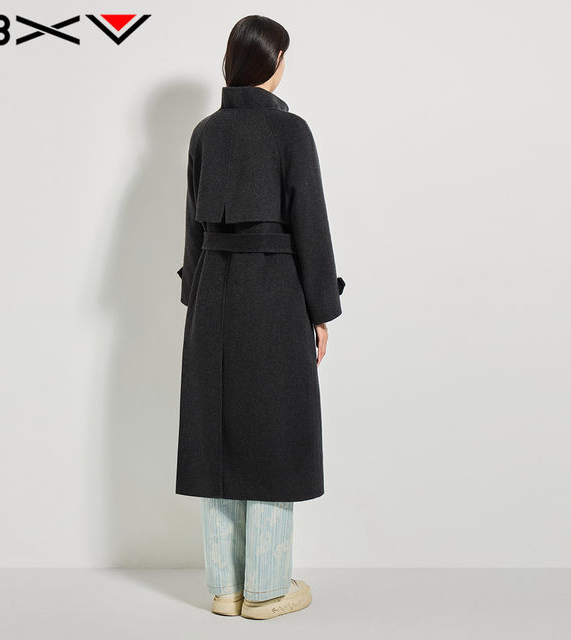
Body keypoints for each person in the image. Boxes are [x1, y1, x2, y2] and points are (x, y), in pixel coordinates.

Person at [175, 15, 345, 620]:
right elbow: (311, 225)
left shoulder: (205, 133)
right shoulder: (290, 131)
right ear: (272, 63)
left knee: (217, 435)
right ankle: (268, 590)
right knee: (275, 434)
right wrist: (322, 308)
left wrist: (197, 297)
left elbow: (193, 228)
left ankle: (225, 589)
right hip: (274, 297)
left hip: (214, 299)